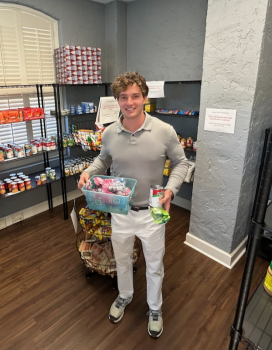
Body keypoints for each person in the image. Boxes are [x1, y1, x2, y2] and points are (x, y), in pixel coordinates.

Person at [78, 72, 188, 338]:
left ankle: (155, 308)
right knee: (122, 260)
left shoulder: (164, 131)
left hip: (154, 210)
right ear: (117, 100)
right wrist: (88, 172)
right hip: (121, 210)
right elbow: (103, 161)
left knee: (154, 264)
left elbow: (181, 163)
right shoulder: (109, 133)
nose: (130, 102)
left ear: (144, 98)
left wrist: (171, 190)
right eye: (123, 97)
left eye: (135, 96)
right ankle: (125, 295)